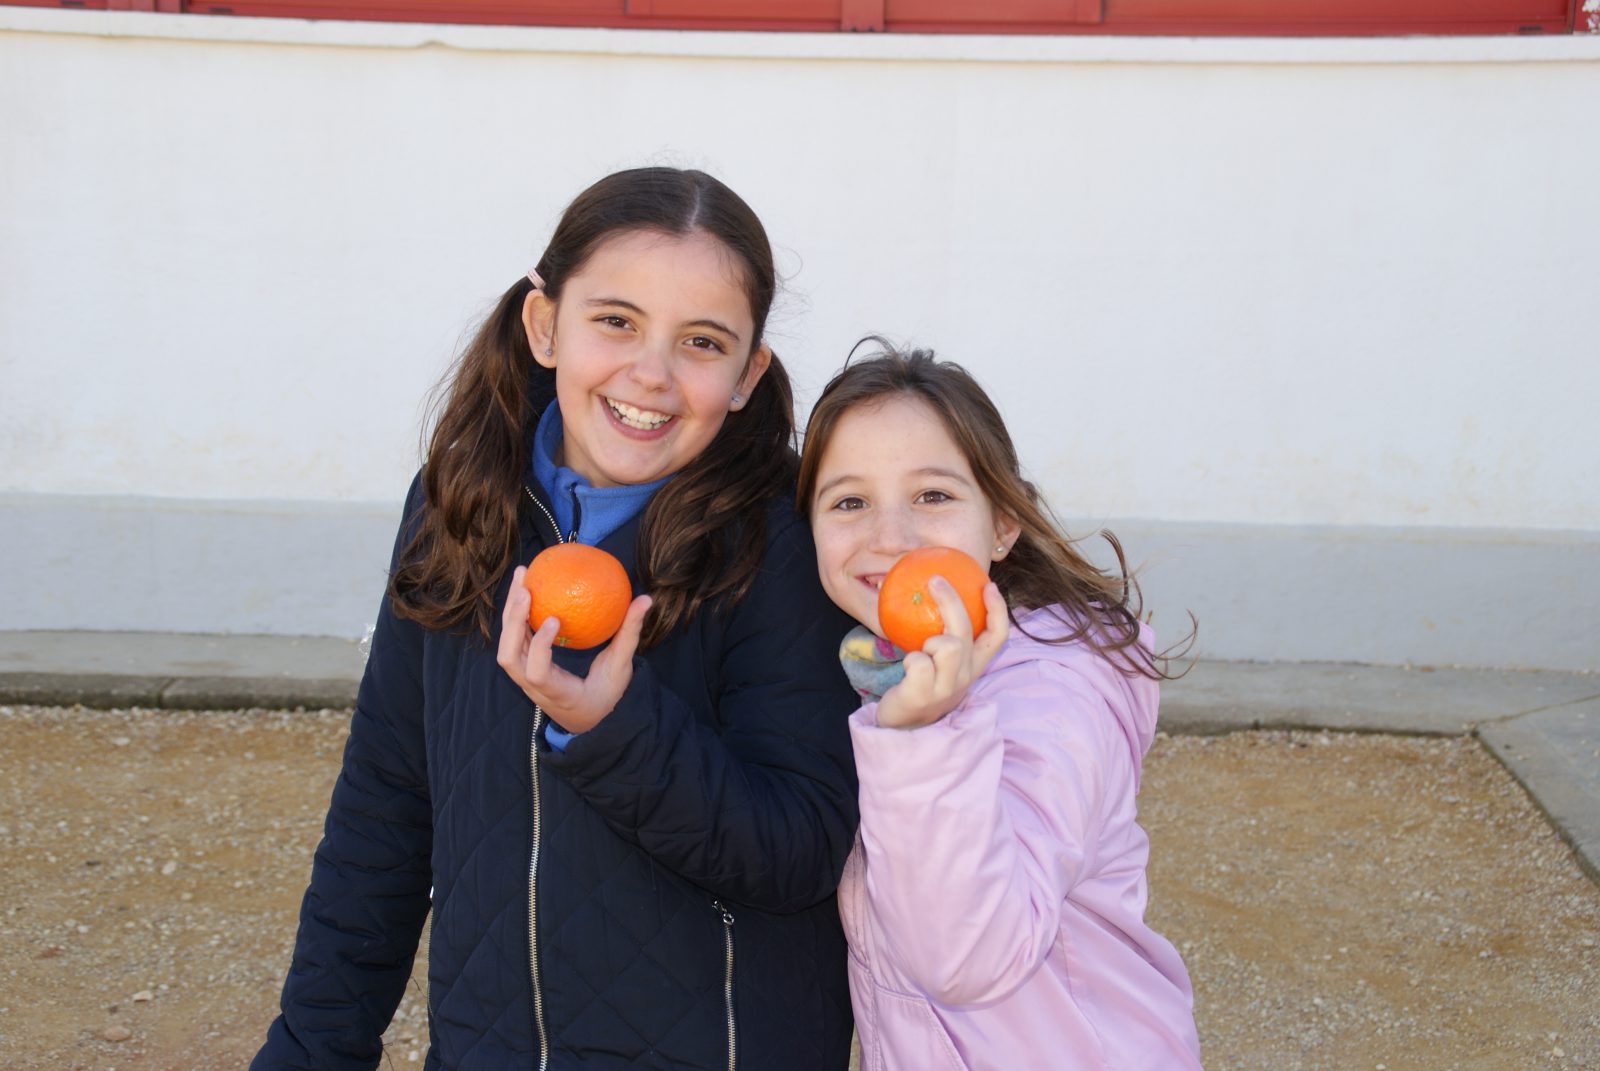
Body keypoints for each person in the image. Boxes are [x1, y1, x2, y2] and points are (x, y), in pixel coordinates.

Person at [253, 168, 861, 1071]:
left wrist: (616, 732)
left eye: (702, 341)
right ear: (544, 324)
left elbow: (802, 851)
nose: (650, 374)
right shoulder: (458, 506)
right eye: (615, 320)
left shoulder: (782, 548)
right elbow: (384, 811)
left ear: (747, 375)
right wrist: (310, 1051)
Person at [796, 342, 1203, 1071]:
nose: (891, 537)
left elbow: (969, 955)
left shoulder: (1053, 693)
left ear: (1004, 522)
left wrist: (923, 737)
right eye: (850, 502)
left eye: (933, 496)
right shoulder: (878, 668)